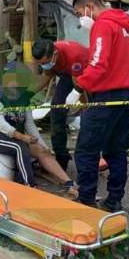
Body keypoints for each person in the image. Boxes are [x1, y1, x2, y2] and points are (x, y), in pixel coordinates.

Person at [71, 0, 129, 212]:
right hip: (125, 94)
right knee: (116, 149)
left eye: (80, 12)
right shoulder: (123, 25)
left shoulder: (103, 26)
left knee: (86, 149)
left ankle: (86, 198)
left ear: (89, 6)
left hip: (106, 96)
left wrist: (79, 86)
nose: (81, 18)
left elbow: (99, 63)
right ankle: (114, 199)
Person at [0, 64, 77, 195]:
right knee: (20, 147)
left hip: (13, 134)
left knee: (42, 151)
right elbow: (2, 125)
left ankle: (69, 183)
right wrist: (24, 138)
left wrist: (42, 144)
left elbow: (29, 124)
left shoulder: (23, 97)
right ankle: (30, 186)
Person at [31, 38, 89, 169]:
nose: (43, 66)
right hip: (68, 75)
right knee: (56, 109)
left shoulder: (74, 54)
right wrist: (27, 95)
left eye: (45, 63)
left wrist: (85, 106)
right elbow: (46, 76)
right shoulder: (49, 58)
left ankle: (87, 157)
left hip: (86, 74)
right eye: (40, 64)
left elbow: (79, 85)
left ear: (55, 55)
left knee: (89, 115)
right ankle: (61, 157)